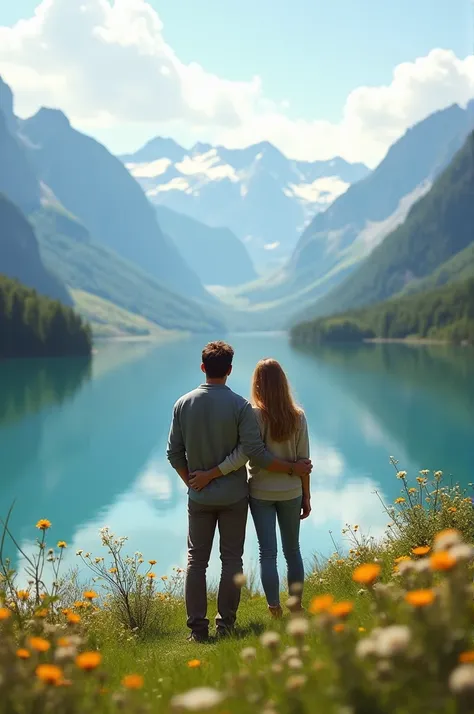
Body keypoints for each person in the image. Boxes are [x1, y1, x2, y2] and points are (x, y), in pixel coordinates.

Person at [166, 342, 312, 642]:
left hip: (201, 498)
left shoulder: (183, 404)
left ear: (203, 367)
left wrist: (194, 482)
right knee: (232, 560)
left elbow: (174, 454)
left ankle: (197, 630)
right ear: (230, 371)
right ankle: (226, 625)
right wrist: (218, 474)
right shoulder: (240, 407)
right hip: (234, 496)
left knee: (196, 561)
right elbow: (249, 451)